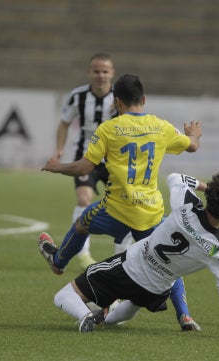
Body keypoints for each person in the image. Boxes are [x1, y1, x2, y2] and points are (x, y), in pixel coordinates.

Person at [39, 74, 203, 331]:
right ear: (144, 99)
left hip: (116, 209)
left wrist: (57, 166)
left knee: (82, 223)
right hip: (149, 212)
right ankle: (185, 316)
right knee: (166, 261)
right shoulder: (161, 126)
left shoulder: (108, 128)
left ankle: (58, 262)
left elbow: (84, 166)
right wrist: (193, 134)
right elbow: (192, 146)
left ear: (116, 102)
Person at [50, 171, 219, 340]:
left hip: (130, 267)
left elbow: (175, 177)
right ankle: (102, 317)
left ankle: (85, 315)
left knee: (63, 295)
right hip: (157, 290)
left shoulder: (187, 204)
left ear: (211, 195)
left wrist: (209, 188)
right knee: (130, 307)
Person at [54, 53, 130, 269]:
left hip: (115, 159)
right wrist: (60, 148)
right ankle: (83, 253)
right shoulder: (77, 96)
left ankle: (121, 255)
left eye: (105, 71)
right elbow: (64, 122)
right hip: (86, 157)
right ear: (89, 72)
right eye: (96, 71)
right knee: (84, 198)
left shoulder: (121, 96)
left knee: (124, 204)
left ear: (112, 73)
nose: (101, 75)